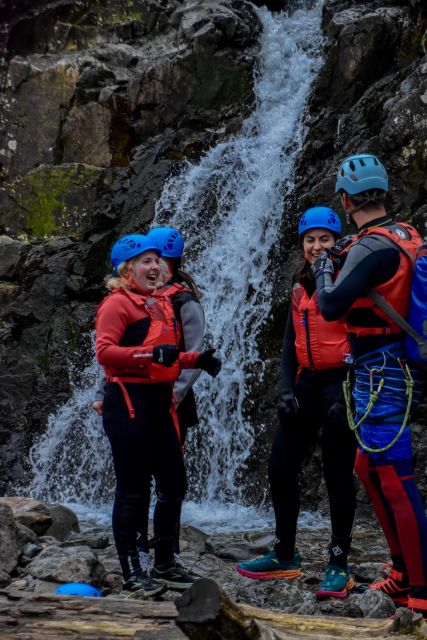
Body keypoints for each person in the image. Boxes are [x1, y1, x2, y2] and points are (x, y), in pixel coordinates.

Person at [313, 153, 427, 614]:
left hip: (383, 370)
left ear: (345, 199)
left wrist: (323, 267)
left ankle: (418, 588)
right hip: (385, 366)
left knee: (396, 479)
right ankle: (403, 570)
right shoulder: (405, 234)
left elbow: (332, 306)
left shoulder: (370, 247)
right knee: (368, 468)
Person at [236, 207, 357, 599]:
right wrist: (285, 389)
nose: (317, 246)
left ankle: (339, 563)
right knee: (280, 467)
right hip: (306, 384)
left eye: (325, 238)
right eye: (310, 239)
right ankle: (285, 553)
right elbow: (290, 342)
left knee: (338, 472)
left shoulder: (349, 278)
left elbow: (364, 338)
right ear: (302, 244)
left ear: (337, 241)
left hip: (340, 383)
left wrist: (350, 391)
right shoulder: (300, 283)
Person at [95, 233, 220, 596]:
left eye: (157, 261)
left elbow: (165, 354)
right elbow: (105, 353)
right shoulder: (116, 305)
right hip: (128, 403)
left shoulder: (159, 303)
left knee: (173, 483)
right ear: (127, 269)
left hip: (160, 404)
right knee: (132, 491)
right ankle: (134, 570)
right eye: (146, 262)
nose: (155, 267)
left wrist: (197, 360)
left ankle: (164, 562)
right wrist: (148, 357)